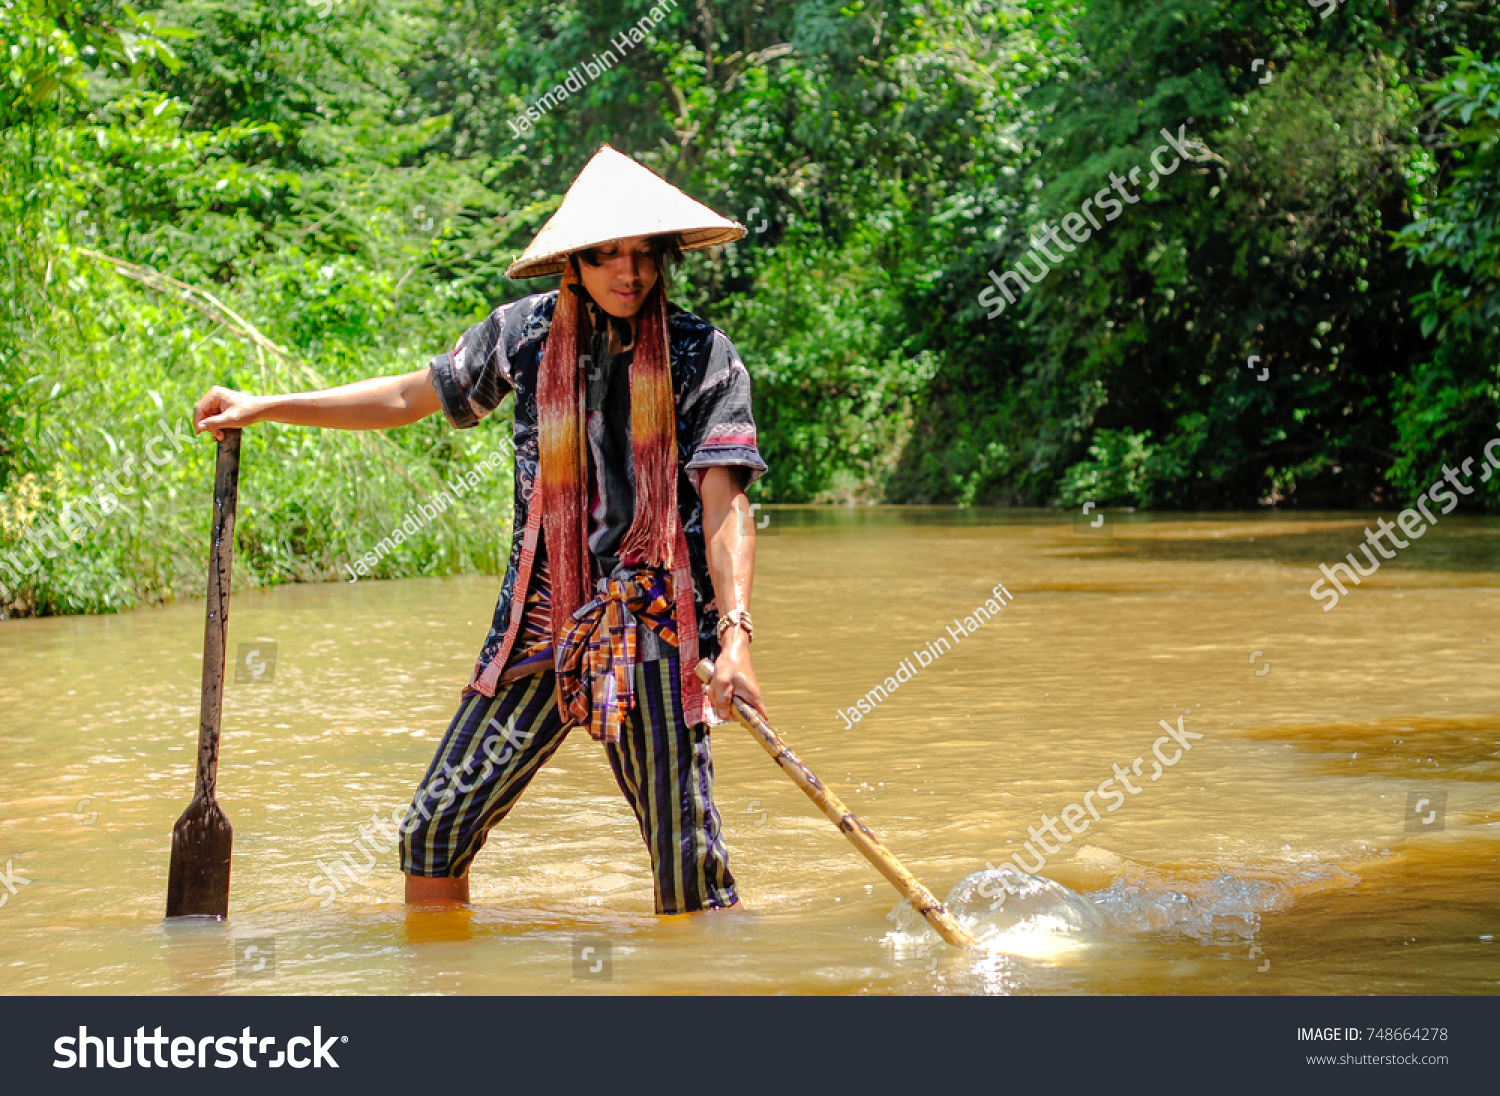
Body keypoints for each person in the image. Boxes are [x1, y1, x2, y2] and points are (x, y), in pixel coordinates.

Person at [193, 144, 767, 915]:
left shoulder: (703, 356)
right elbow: (406, 399)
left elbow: (725, 501)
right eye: (607, 256)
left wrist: (733, 638)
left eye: (643, 254)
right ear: (574, 262)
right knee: (435, 831)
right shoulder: (521, 337)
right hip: (543, 625)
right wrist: (267, 404)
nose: (628, 273)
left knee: (688, 875)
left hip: (656, 630)